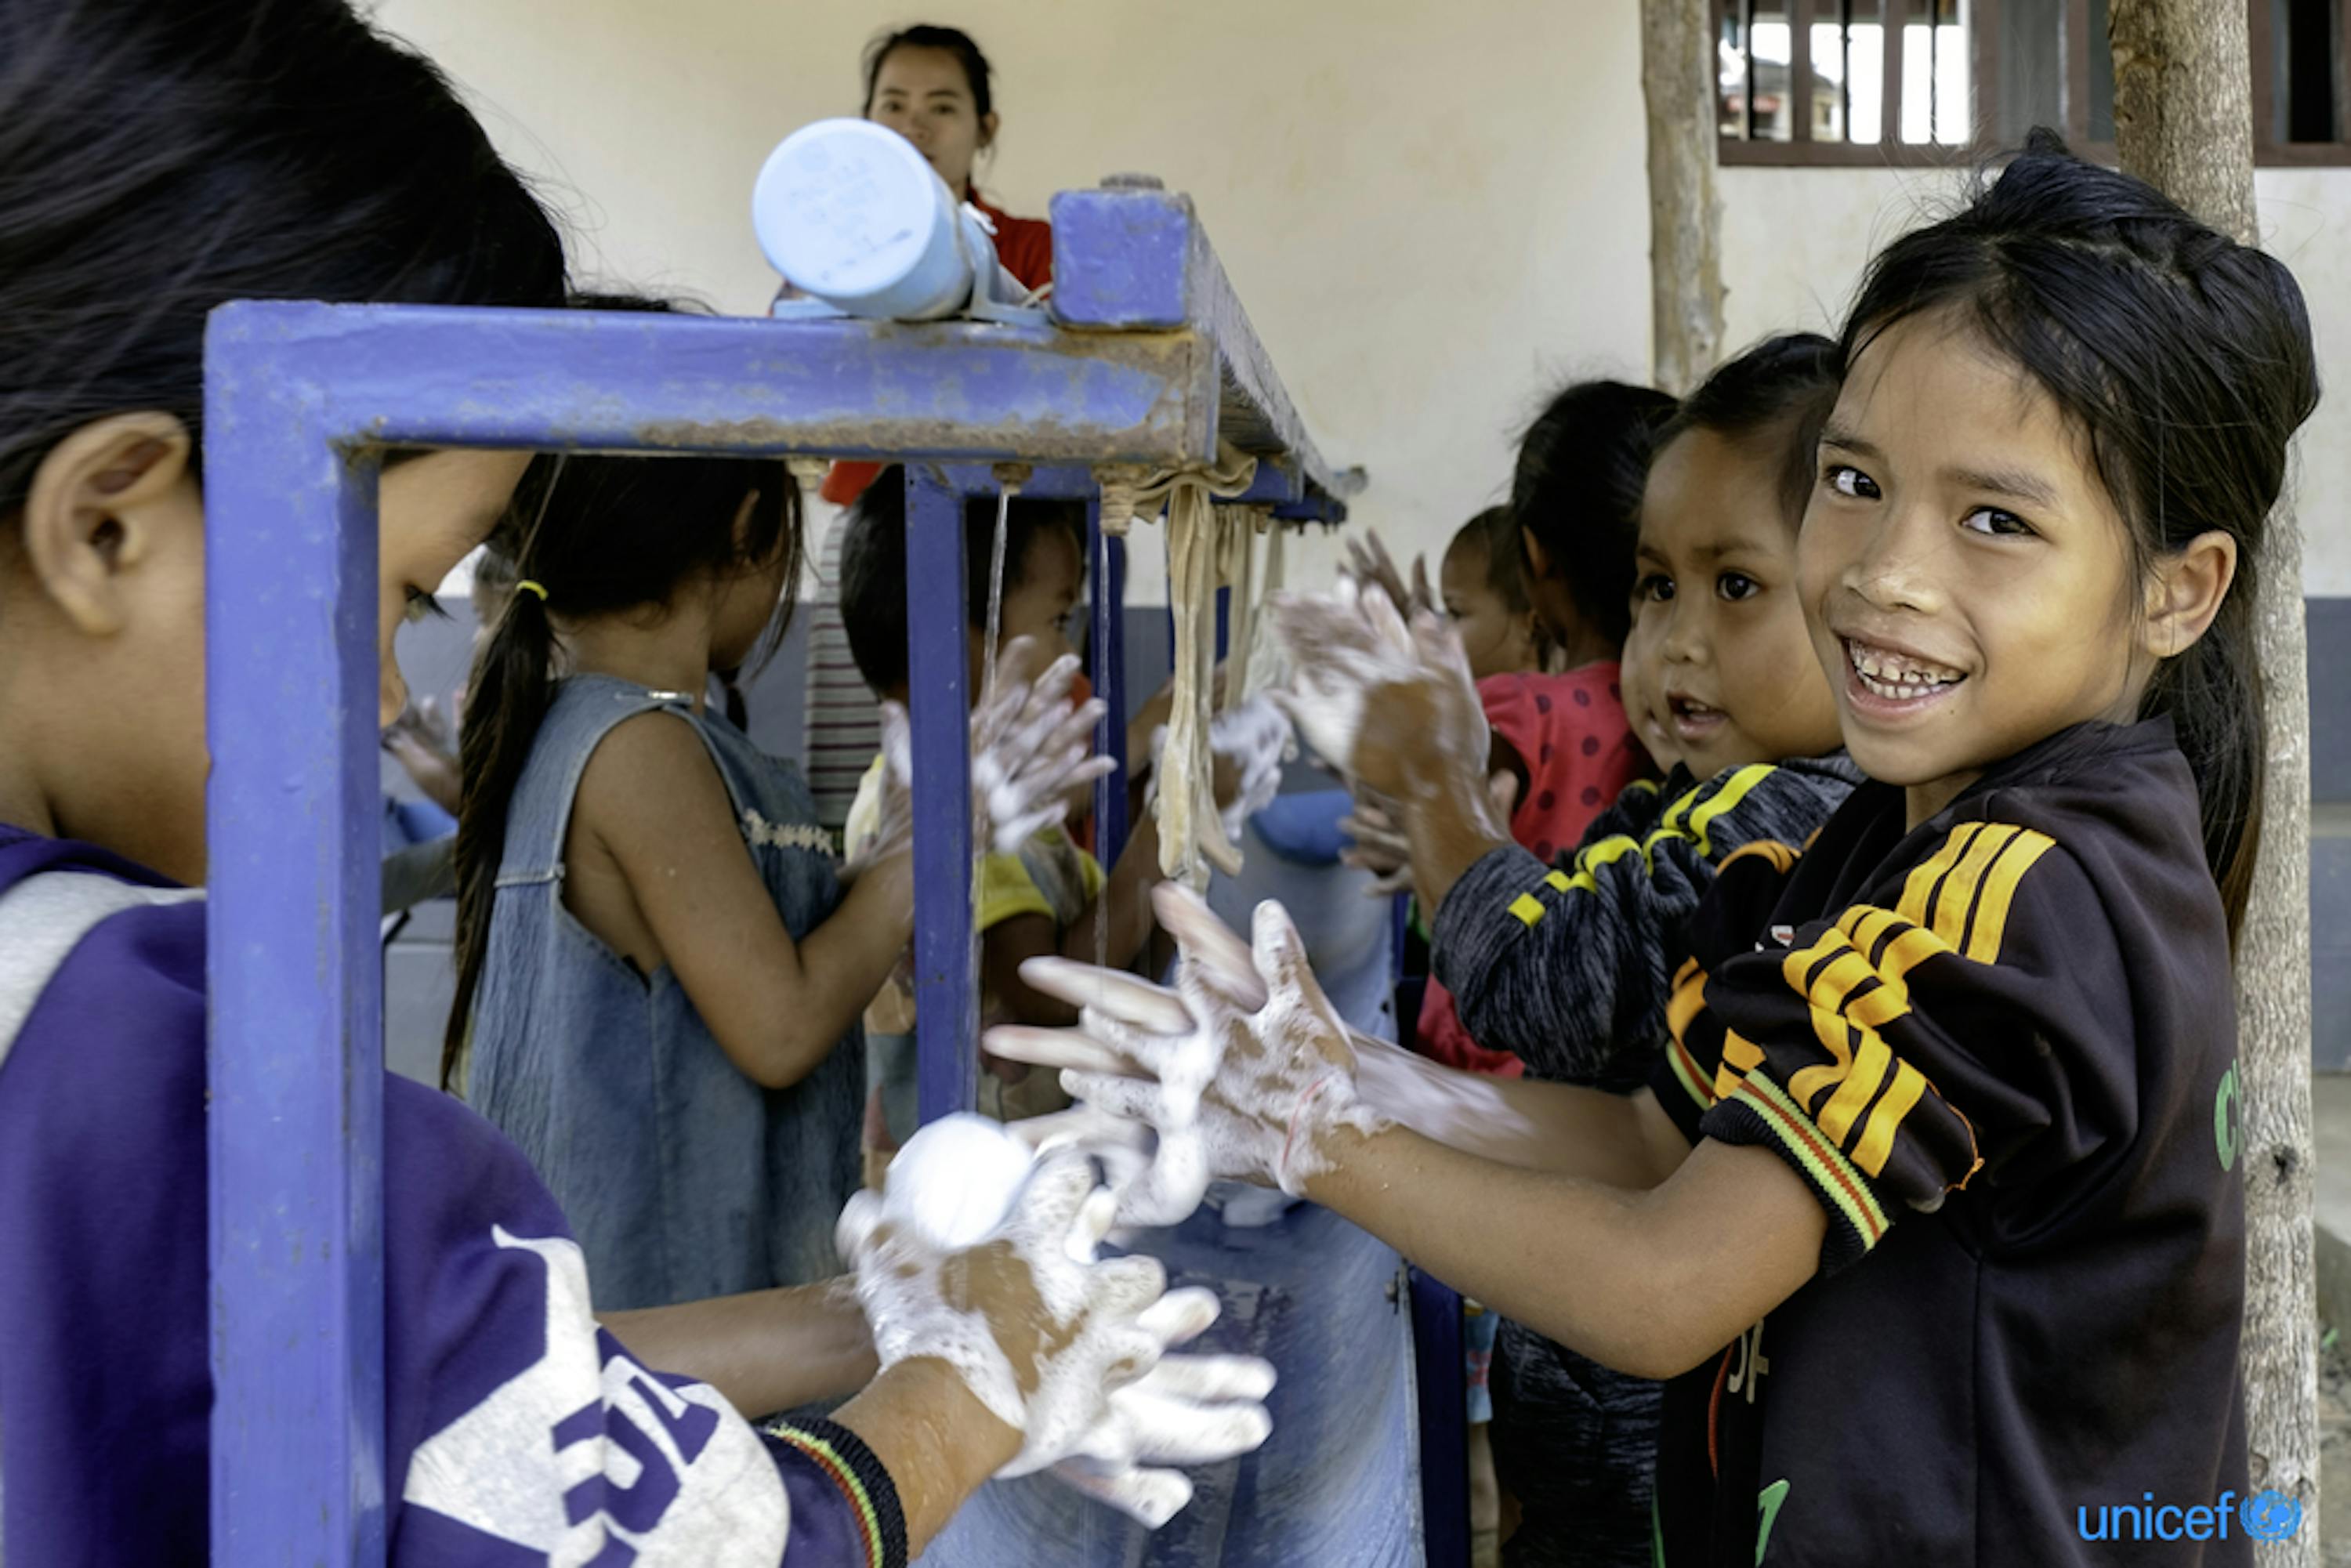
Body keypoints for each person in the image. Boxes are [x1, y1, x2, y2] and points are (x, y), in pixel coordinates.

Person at [0, 5, 1250, 1560]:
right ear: (106, 524)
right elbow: (668, 1506)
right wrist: (962, 1389)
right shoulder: (123, 1047)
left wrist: (882, 1319)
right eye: (395, 590)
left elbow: (432, 1388)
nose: (390, 686)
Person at [995, 134, 2313, 1565]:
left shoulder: (2012, 894)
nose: (1884, 573)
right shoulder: (1899, 830)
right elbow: (1649, 1136)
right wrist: (1337, 1068)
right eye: (1858, 482)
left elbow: (1670, 1279)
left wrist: (1316, 1136)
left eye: (1995, 519)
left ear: (2179, 592)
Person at [838, 470, 1244, 1156]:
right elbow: (1047, 995)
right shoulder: (945, 811)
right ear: (948, 641)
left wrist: (1183, 837)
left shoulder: (1012, 810)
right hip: (974, 1184)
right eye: (1057, 621)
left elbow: (1124, 974)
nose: (1068, 652)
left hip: (1036, 1166)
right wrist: (1162, 825)